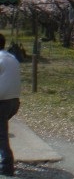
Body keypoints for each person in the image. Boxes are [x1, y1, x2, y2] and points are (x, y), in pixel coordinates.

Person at [0, 33, 21, 176]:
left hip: (2, 101)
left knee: (1, 135)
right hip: (14, 102)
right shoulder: (11, 57)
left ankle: (6, 165)